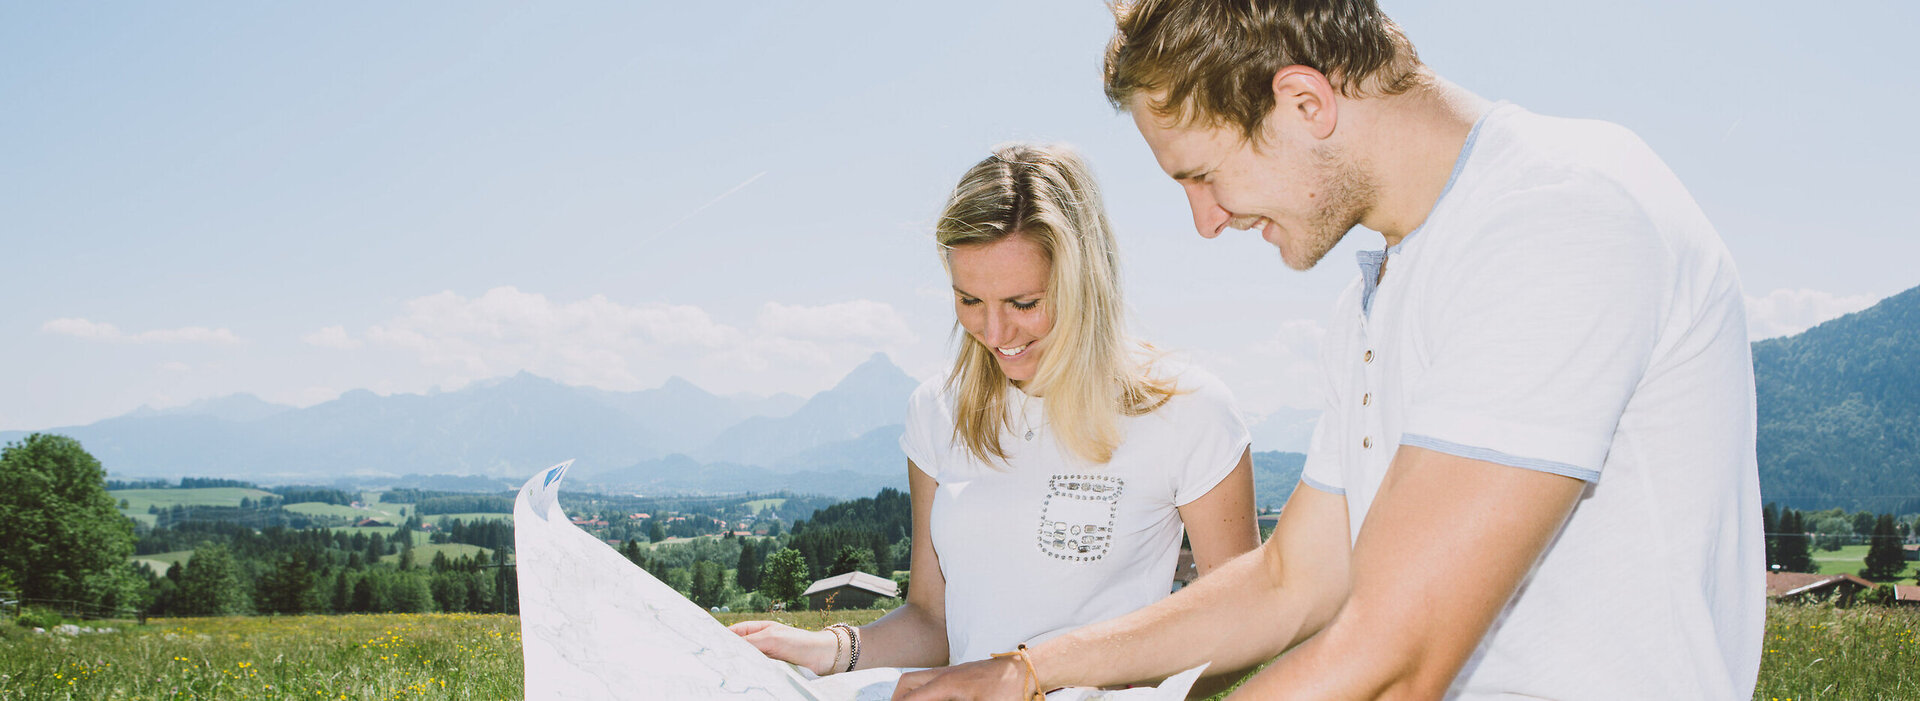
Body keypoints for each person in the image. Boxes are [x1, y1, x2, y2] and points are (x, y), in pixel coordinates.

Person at [895, 1, 1764, 699]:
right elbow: (1287, 579)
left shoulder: (1557, 213)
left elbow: (1394, 653)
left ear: (1305, 102)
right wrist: (1030, 667)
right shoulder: (1372, 300)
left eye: (1203, 173)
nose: (1206, 221)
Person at [730, 143, 1262, 687]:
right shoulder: (939, 412)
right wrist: (824, 648)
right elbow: (933, 622)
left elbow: (1243, 629)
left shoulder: (1189, 412)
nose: (995, 333)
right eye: (969, 301)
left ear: (1086, 284)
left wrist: (1042, 683)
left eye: (1024, 304)